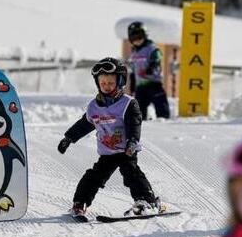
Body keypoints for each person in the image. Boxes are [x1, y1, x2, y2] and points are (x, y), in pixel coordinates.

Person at [57, 57, 164, 218]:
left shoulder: (128, 104)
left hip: (126, 150)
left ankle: (146, 201)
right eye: (103, 83)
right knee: (93, 177)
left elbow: (134, 124)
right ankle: (80, 203)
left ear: (120, 82)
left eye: (111, 83)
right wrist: (69, 138)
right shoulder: (94, 107)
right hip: (107, 153)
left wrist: (132, 141)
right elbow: (84, 124)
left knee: (131, 173)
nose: (106, 86)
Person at [127, 21, 170, 119]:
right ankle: (140, 122)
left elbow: (156, 60)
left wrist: (149, 70)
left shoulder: (151, 48)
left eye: (139, 37)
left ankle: (164, 119)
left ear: (145, 36)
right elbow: (133, 70)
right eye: (134, 39)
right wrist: (132, 86)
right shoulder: (134, 53)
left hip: (153, 83)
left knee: (160, 104)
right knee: (138, 108)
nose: (137, 41)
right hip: (140, 86)